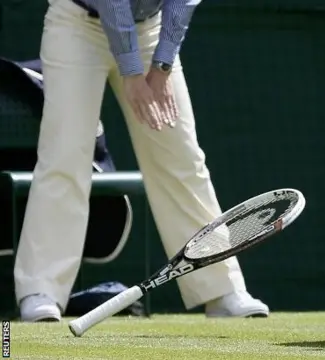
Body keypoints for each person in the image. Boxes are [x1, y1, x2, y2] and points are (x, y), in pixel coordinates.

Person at [15, 0, 269, 322]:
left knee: (182, 159)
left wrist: (162, 65)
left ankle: (221, 288)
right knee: (64, 156)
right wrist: (132, 71)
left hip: (149, 29)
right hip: (76, 26)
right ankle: (42, 290)